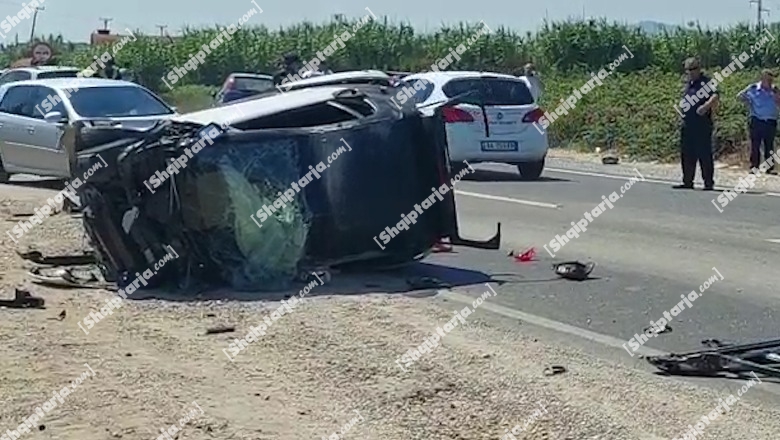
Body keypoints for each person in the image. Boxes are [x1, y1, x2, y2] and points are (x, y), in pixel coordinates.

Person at [674, 57, 719, 190]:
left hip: (702, 123)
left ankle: (708, 182)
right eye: (688, 70)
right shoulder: (689, 83)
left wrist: (705, 106)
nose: (691, 72)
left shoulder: (707, 82)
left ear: (699, 68)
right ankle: (688, 181)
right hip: (687, 122)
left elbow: (715, 96)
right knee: (687, 153)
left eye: (693, 69)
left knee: (704, 153)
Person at [737, 69, 780, 174]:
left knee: (769, 145)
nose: (769, 81)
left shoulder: (775, 90)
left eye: (771, 79)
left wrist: (777, 97)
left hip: (770, 120)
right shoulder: (753, 88)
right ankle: (754, 167)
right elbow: (739, 96)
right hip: (756, 120)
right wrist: (747, 102)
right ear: (762, 78)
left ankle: (769, 168)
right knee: (755, 145)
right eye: (767, 79)